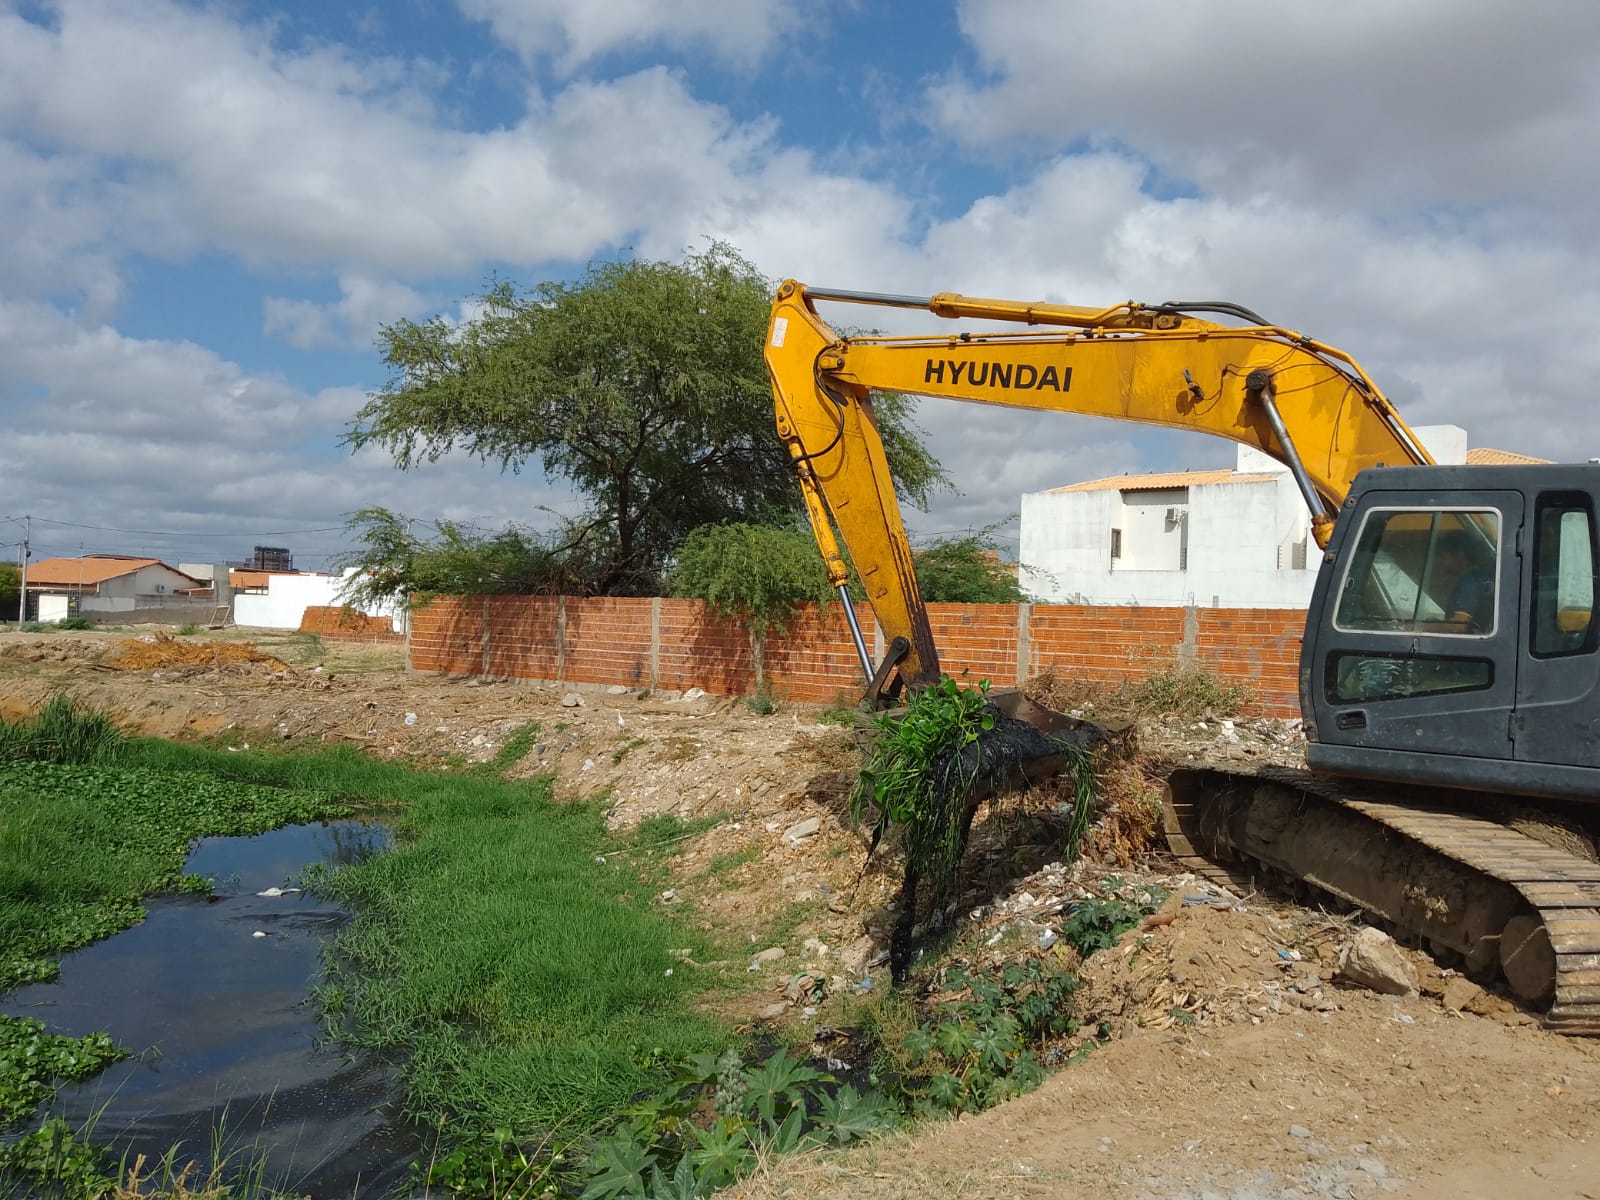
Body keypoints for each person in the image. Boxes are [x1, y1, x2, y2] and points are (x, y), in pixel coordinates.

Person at [1434, 531, 1495, 632]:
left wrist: (1420, 627)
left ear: (1460, 555)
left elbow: (1458, 626)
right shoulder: (1481, 579)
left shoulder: (1470, 582)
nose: (1437, 561)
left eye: (1442, 556)